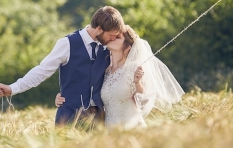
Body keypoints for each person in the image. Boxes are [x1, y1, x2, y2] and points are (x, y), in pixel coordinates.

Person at [0, 6, 125, 125]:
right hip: (68, 116)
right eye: (111, 36)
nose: (113, 39)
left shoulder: (110, 47)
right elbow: (42, 71)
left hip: (98, 120)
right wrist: (12, 88)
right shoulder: (67, 43)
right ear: (99, 29)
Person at [55, 25, 184, 129]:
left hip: (131, 129)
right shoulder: (106, 70)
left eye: (117, 37)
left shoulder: (135, 68)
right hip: (109, 130)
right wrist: (64, 96)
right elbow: (88, 89)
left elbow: (144, 98)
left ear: (127, 46)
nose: (111, 38)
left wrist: (137, 82)